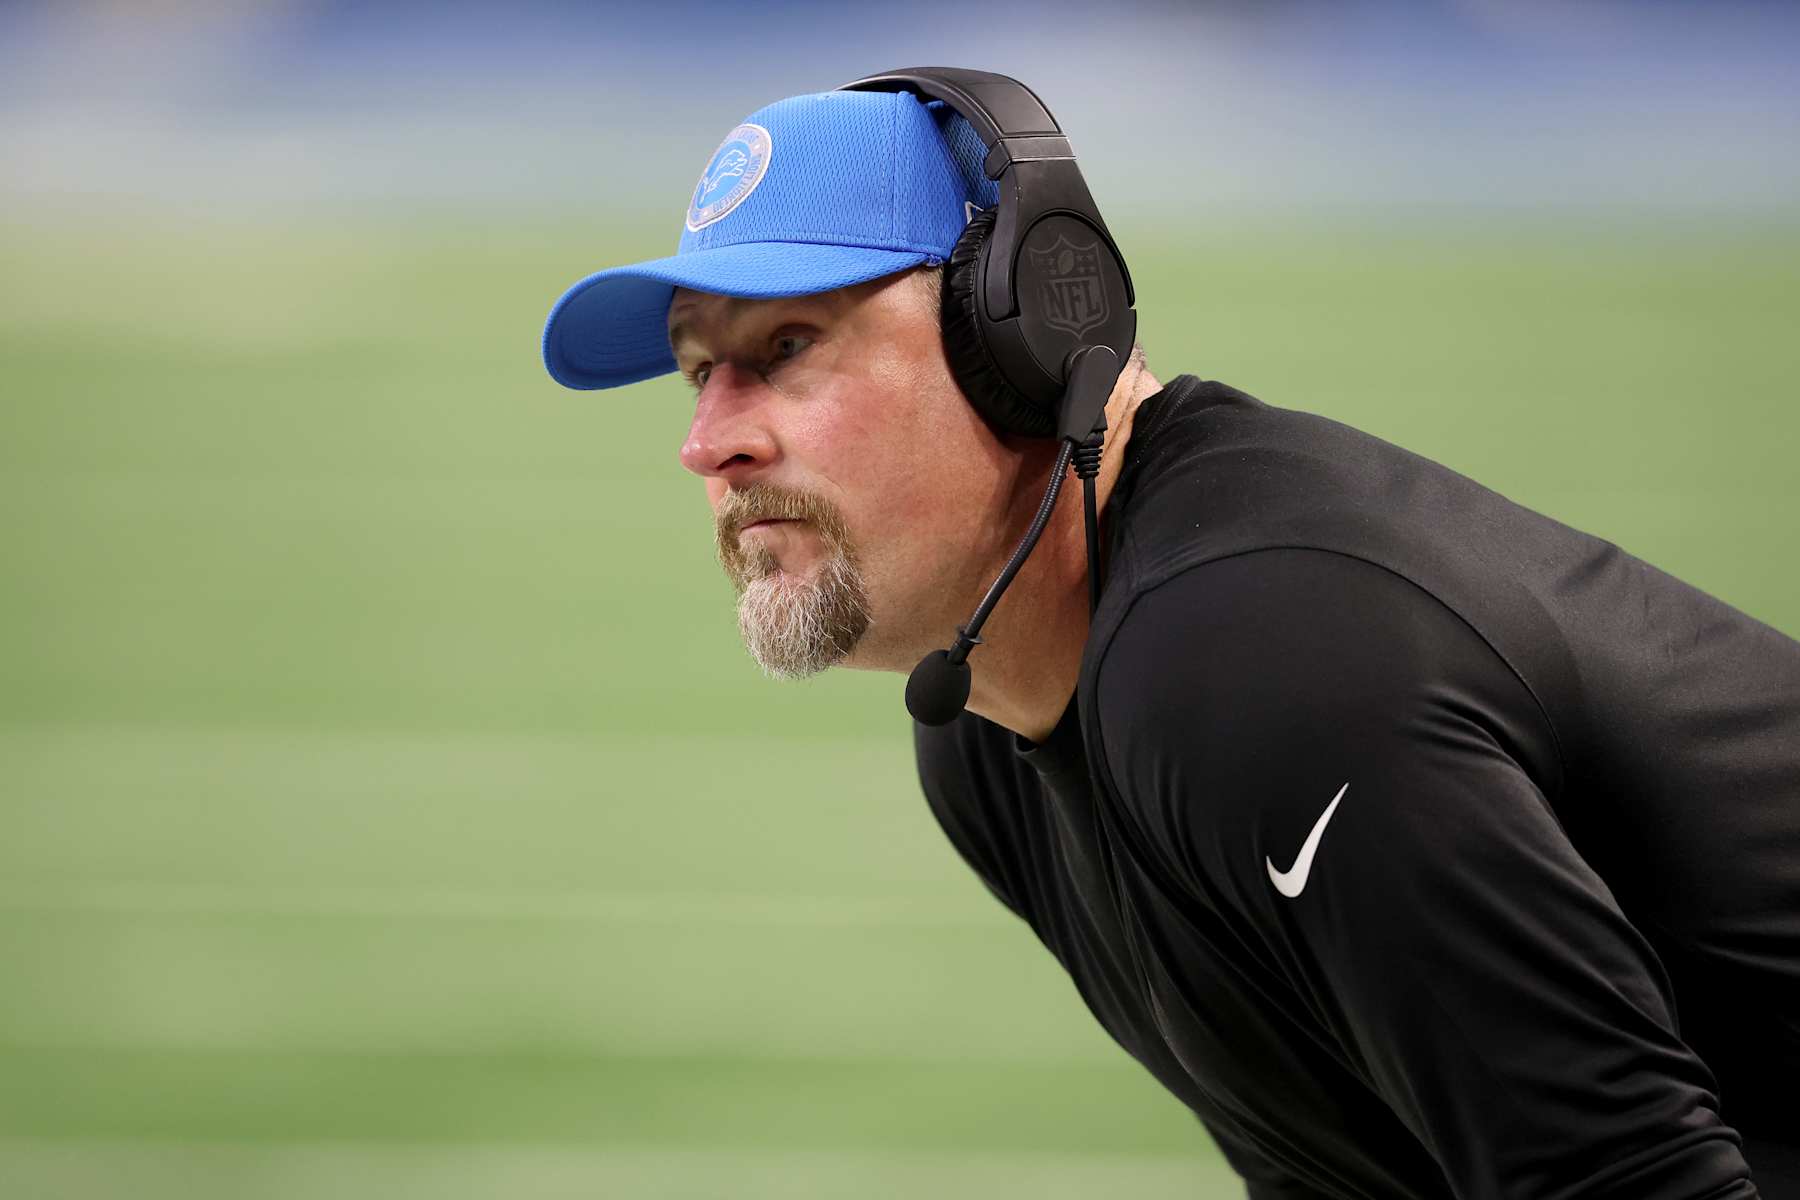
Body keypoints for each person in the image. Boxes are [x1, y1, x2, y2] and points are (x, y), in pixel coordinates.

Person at [541, 72, 1800, 1199]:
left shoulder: (1260, 660)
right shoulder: (992, 736)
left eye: (787, 347)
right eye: (697, 371)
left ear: (1018, 334)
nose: (710, 443)